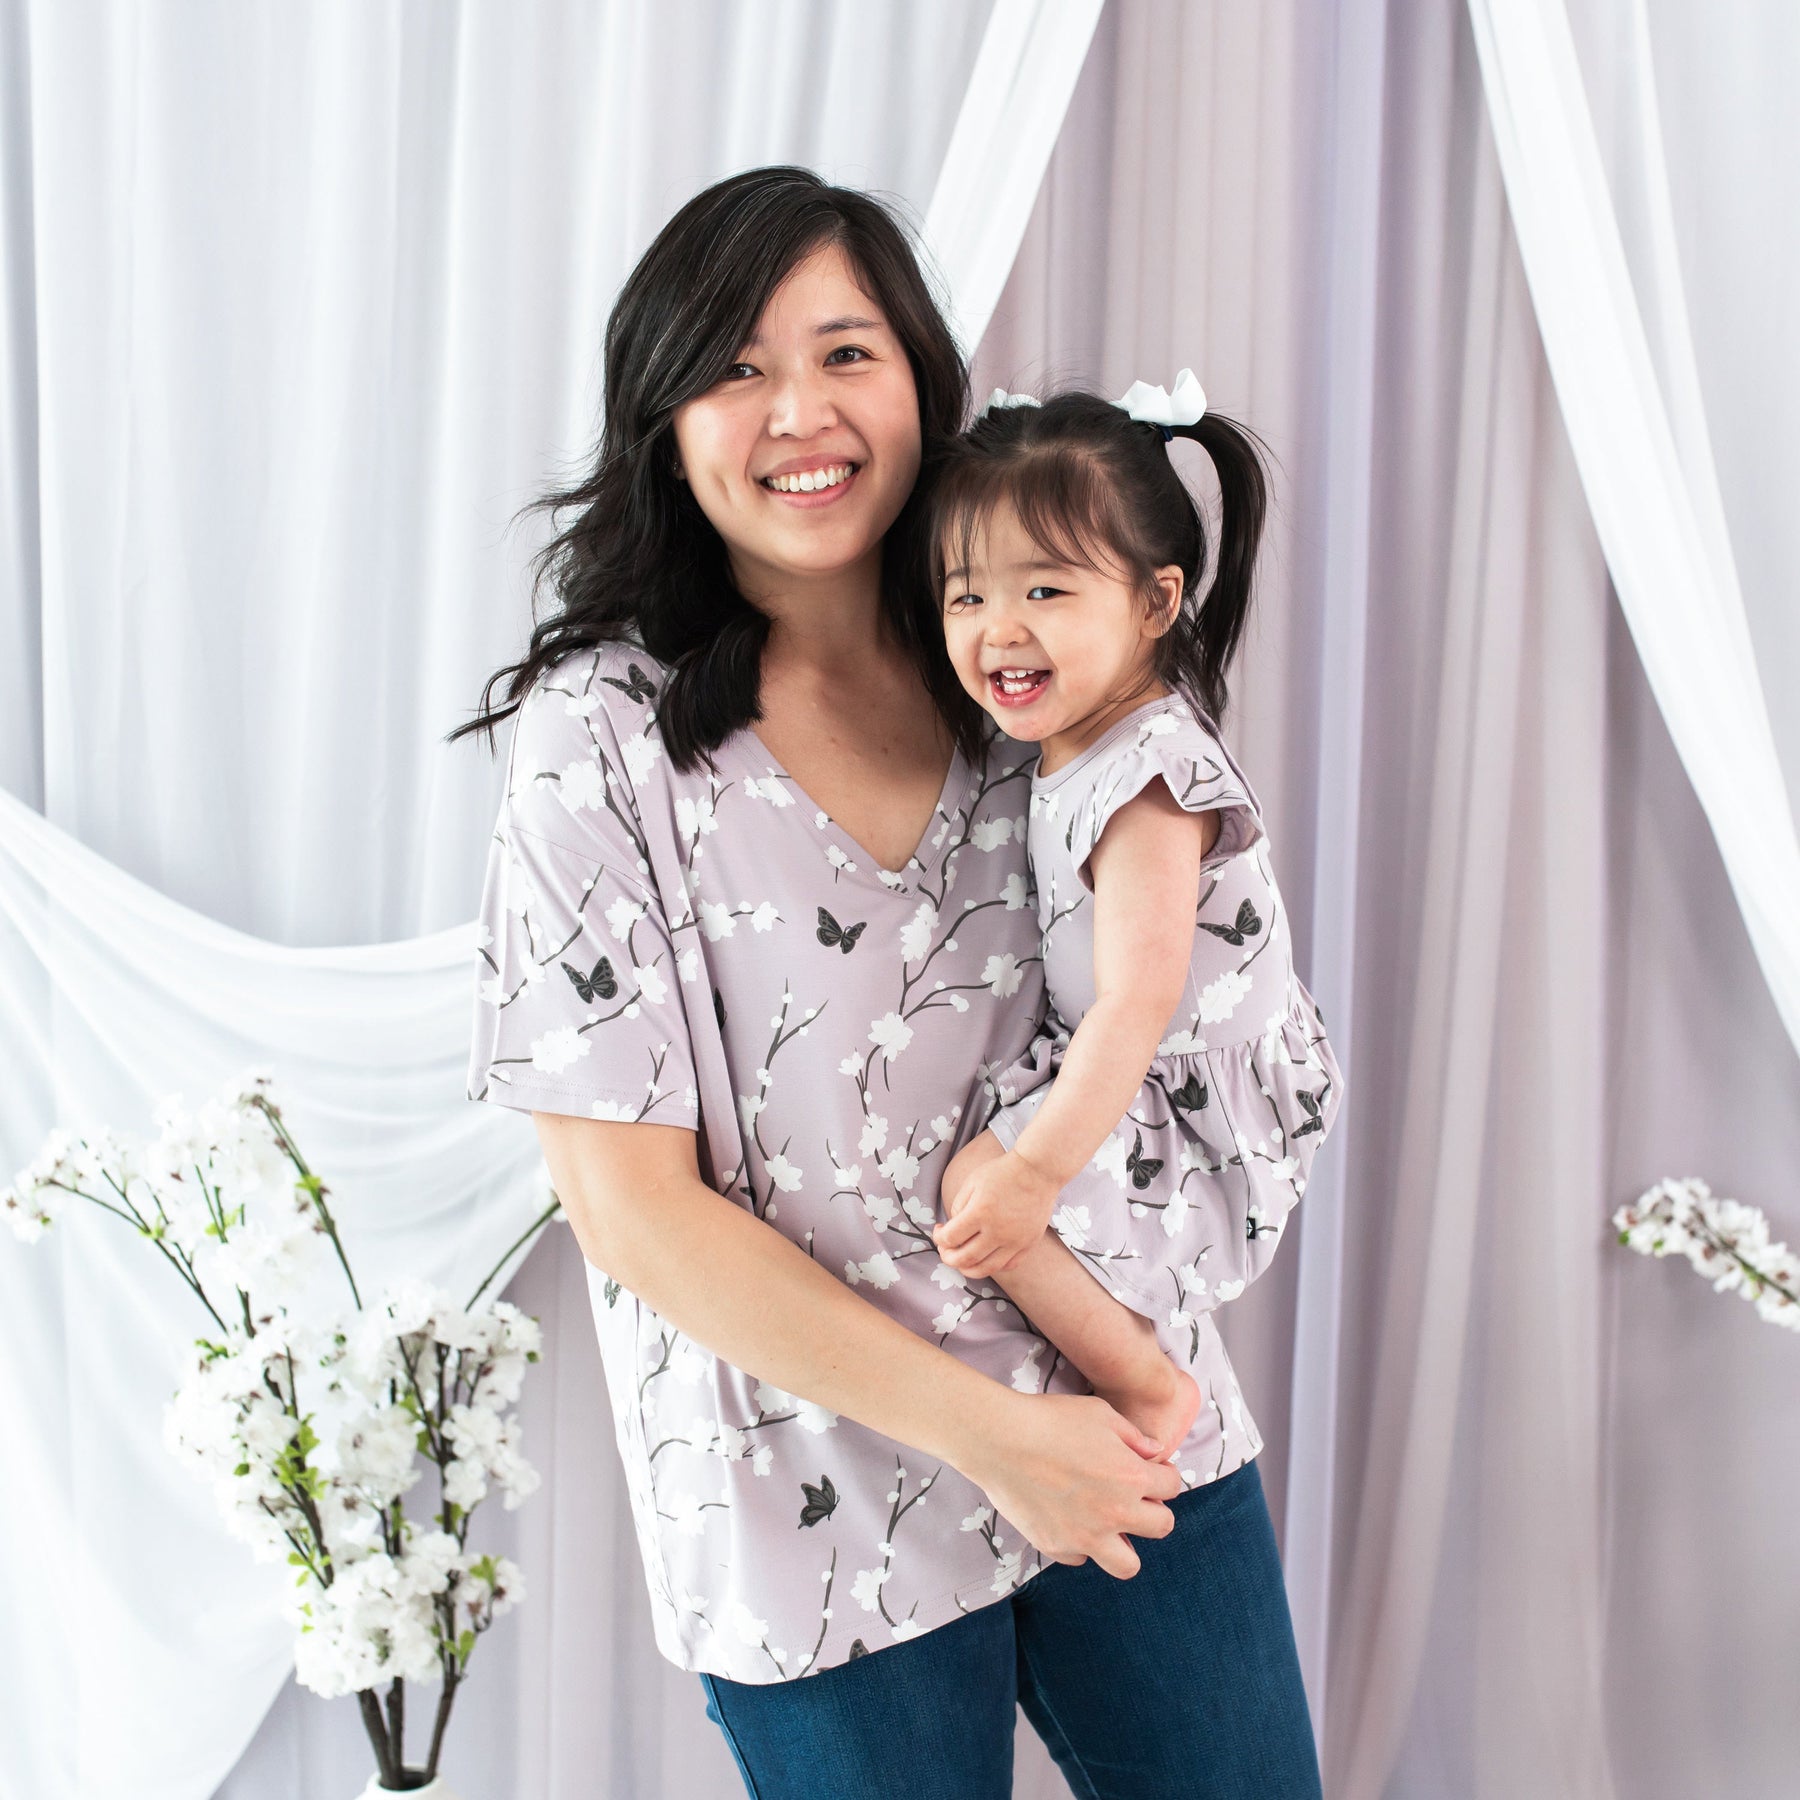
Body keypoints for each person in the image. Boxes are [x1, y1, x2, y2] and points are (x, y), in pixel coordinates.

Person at [457, 166, 1326, 1799]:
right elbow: (630, 1213)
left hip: (1132, 1422)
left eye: (846, 351)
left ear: (925, 379)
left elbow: (1190, 970)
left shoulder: (1027, 657)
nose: (801, 408)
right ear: (664, 420)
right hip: (814, 1502)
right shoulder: (603, 745)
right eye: (736, 367)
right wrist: (996, 1440)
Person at [924, 382, 1345, 1482]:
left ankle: (1152, 1385)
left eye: (1047, 589)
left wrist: (1033, 1174)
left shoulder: (1151, 776)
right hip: (1141, 1058)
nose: (999, 629)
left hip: (1192, 1090)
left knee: (978, 1182)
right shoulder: (1073, 738)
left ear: (1157, 604)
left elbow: (1141, 996)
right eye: (965, 597)